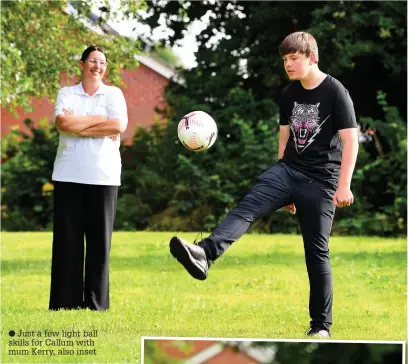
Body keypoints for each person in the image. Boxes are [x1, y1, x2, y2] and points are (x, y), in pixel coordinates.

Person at [169, 32, 358, 337]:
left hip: (322, 181)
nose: (288, 64)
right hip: (288, 170)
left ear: (312, 57)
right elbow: (285, 137)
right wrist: (284, 182)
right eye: (285, 59)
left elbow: (351, 140)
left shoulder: (336, 92)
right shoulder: (288, 94)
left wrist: (344, 186)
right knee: (248, 207)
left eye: (294, 58)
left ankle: (321, 327)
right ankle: (204, 254)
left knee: (316, 251)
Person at [49, 45, 128, 311]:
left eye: (102, 62)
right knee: (67, 242)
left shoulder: (114, 94)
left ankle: (96, 304)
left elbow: (118, 126)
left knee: (99, 244)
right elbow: (62, 124)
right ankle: (64, 303)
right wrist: (98, 121)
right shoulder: (66, 93)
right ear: (82, 64)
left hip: (104, 177)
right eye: (93, 60)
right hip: (68, 174)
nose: (97, 66)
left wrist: (80, 124)